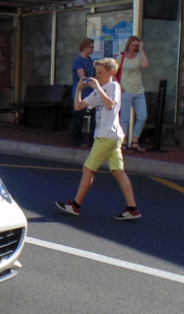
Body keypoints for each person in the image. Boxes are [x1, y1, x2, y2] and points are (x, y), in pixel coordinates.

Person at [56, 57, 141, 221]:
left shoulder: (113, 86)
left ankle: (76, 205)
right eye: (96, 73)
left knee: (88, 169)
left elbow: (110, 105)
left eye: (100, 73)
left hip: (107, 136)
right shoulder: (98, 90)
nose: (97, 76)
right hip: (110, 136)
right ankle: (132, 208)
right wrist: (79, 89)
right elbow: (78, 106)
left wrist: (97, 87)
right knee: (118, 171)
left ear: (111, 72)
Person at [117, 36, 150, 151]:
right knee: (125, 118)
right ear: (128, 45)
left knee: (142, 116)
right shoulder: (122, 57)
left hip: (138, 90)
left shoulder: (139, 57)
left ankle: (135, 140)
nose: (134, 48)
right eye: (133, 45)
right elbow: (113, 72)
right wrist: (119, 86)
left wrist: (141, 49)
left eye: (136, 46)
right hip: (126, 90)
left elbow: (145, 65)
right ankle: (124, 141)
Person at [70, 38, 96, 147]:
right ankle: (77, 139)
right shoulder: (78, 61)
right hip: (81, 92)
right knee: (79, 116)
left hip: (91, 92)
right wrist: (92, 83)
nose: (92, 49)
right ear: (85, 47)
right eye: (91, 47)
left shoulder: (90, 60)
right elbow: (82, 78)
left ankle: (93, 139)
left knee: (95, 116)